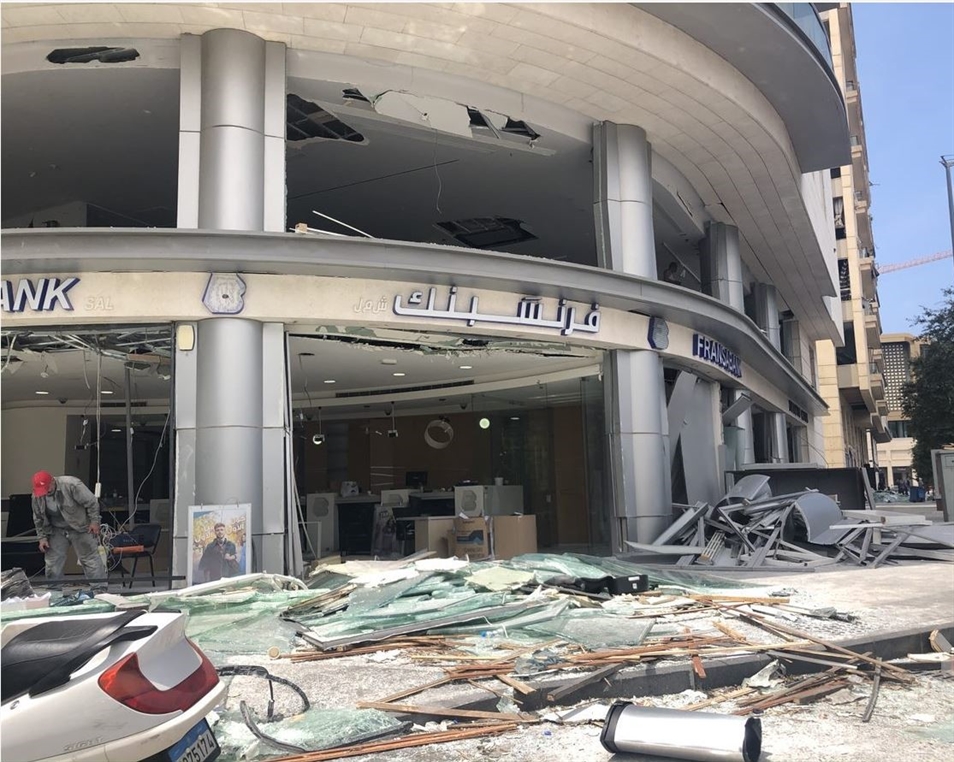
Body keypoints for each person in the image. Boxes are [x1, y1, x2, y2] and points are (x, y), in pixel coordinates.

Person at [31, 471, 107, 593]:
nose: (46, 492)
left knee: (90, 559)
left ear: (52, 481)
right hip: (56, 529)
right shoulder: (37, 495)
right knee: (53, 561)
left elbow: (92, 502)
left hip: (81, 526)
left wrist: (94, 522)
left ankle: (100, 590)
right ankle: (54, 592)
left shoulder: (72, 484)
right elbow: (38, 518)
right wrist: (42, 538)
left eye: (47, 488)